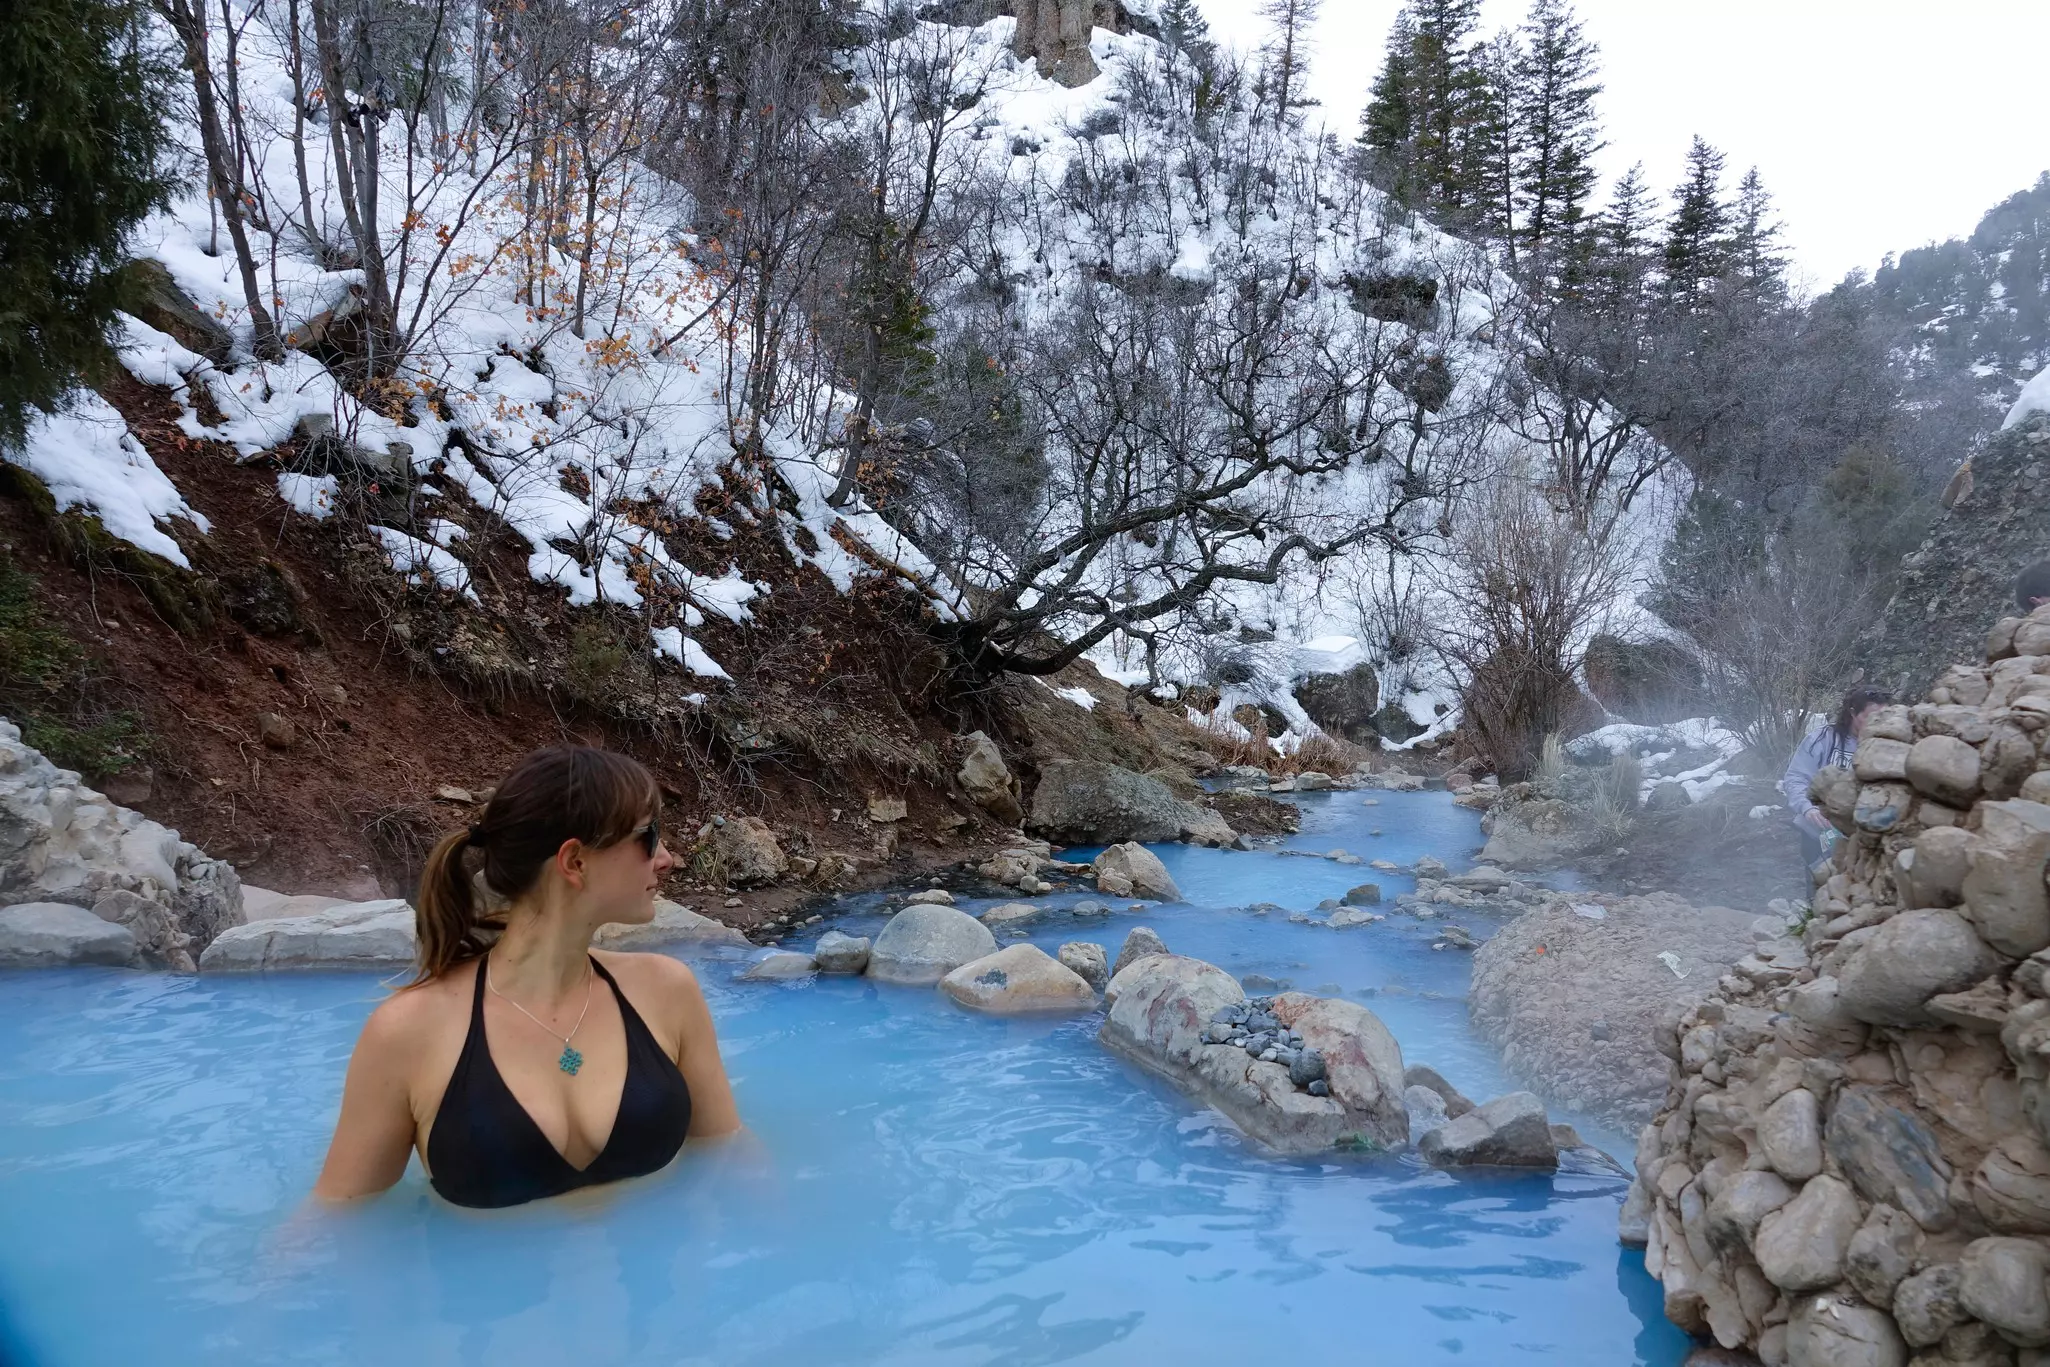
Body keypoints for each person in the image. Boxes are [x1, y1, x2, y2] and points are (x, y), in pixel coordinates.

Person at [315, 746, 741, 1208]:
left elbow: (729, 1154)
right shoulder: (408, 1031)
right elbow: (339, 1219)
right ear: (575, 862)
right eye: (649, 836)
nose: (667, 858)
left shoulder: (667, 991)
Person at [1781, 685, 1891, 867]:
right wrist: (1807, 808)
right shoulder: (1823, 739)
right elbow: (1796, 777)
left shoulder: (1888, 747)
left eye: (1884, 717)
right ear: (1852, 713)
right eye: (1871, 717)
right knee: (1822, 872)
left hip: (1864, 834)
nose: (1878, 723)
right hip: (1821, 829)